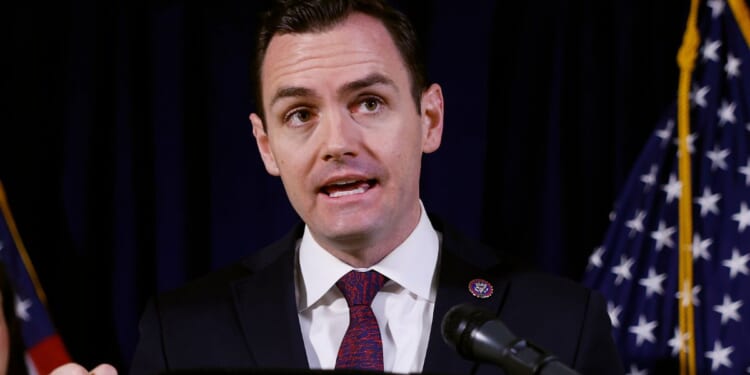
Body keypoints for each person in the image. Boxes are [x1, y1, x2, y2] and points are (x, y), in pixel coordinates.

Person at [53, 0, 625, 374]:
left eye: (368, 102)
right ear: (266, 145)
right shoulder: (182, 336)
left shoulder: (558, 326)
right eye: (300, 114)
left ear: (430, 119)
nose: (337, 143)